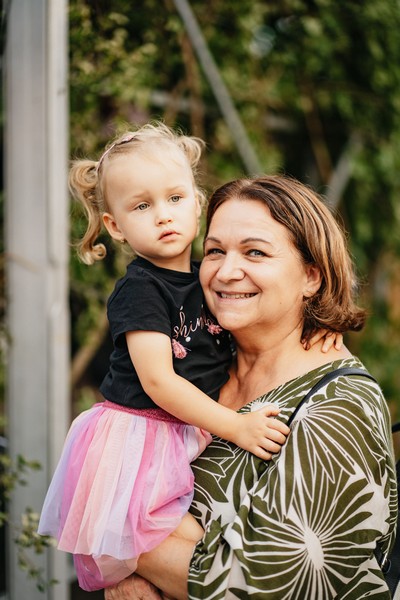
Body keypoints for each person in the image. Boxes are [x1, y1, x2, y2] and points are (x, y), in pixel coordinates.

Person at [104, 175, 398, 600]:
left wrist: (121, 548)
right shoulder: (195, 371)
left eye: (255, 252)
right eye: (214, 251)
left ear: (311, 277)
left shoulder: (338, 407)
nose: (226, 272)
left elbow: (268, 583)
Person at [38, 123, 303, 592]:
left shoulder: (208, 278)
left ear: (197, 205)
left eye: (175, 198)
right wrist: (236, 426)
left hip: (177, 436)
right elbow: (159, 381)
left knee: (192, 551)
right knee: (196, 549)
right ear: (115, 226)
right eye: (142, 206)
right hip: (141, 439)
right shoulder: (141, 290)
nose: (163, 216)